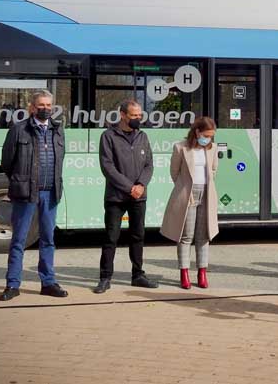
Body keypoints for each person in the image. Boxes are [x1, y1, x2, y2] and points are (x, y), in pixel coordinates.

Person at [0, 90, 67, 301]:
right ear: (32, 107)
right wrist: (20, 181)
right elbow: (7, 162)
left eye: (49, 105)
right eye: (41, 105)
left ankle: (48, 283)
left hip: (50, 192)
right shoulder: (18, 130)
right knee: (19, 240)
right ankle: (12, 285)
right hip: (25, 193)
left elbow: (60, 159)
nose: (45, 109)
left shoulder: (58, 130)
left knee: (48, 239)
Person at [93, 99, 158, 293]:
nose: (138, 119)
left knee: (138, 236)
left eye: (140, 115)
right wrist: (130, 187)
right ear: (122, 115)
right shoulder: (108, 136)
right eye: (134, 116)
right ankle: (105, 278)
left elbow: (149, 164)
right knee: (111, 237)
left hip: (139, 196)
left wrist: (141, 185)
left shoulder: (143, 136)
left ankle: (138, 275)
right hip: (116, 197)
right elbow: (108, 167)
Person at [160, 117, 220, 289]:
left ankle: (202, 273)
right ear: (197, 132)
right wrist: (184, 189)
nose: (208, 139)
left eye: (211, 136)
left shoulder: (212, 148)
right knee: (185, 236)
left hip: (207, 193)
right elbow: (174, 172)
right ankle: (184, 273)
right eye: (206, 135)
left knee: (204, 236)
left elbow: (213, 170)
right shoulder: (181, 147)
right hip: (187, 195)